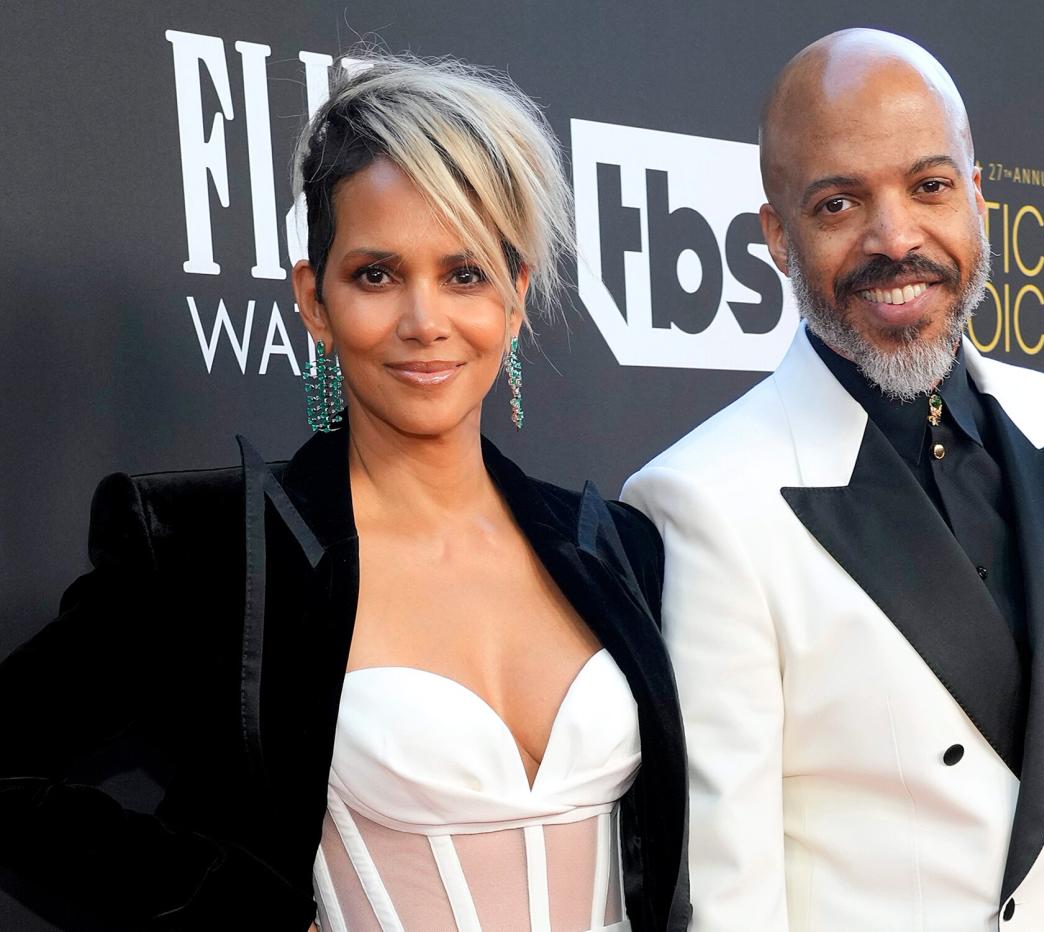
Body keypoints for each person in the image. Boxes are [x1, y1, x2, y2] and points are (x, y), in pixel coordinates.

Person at [0, 55, 689, 932]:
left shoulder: (619, 546)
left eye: (464, 273)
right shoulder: (212, 548)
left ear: (515, 299)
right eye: (376, 274)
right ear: (314, 301)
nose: (423, 319)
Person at [622, 28, 1044, 932]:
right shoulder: (704, 502)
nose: (895, 237)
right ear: (777, 238)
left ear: (976, 197)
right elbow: (733, 895)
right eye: (837, 205)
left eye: (929, 186)